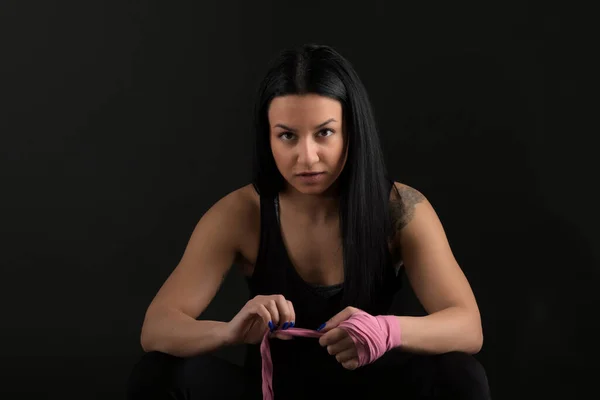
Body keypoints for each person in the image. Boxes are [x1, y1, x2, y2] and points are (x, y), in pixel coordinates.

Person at [127, 43, 491, 399]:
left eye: (324, 132)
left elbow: (468, 327)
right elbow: (156, 327)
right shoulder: (240, 213)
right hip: (271, 390)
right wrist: (229, 332)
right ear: (267, 137)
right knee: (160, 373)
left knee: (460, 375)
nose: (307, 157)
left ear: (352, 130)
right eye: (287, 135)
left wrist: (386, 330)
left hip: (372, 390)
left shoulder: (401, 209)